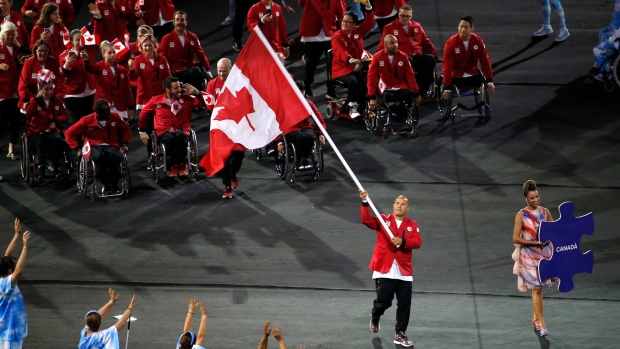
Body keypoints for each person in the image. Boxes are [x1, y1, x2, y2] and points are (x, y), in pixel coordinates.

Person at [359, 189, 422, 348]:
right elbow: (366, 220)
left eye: (403, 204)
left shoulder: (412, 225)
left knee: (404, 304)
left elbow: (417, 242)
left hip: (404, 272)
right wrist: (365, 202)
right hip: (384, 269)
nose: (400, 206)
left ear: (407, 208)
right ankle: (375, 315)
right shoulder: (382, 219)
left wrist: (403, 241)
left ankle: (400, 333)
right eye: (398, 203)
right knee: (383, 302)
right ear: (393, 206)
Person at [512, 180, 554, 337]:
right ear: (526, 199)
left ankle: (536, 318)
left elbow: (553, 231)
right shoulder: (520, 215)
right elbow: (516, 238)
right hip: (529, 256)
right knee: (537, 289)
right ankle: (542, 324)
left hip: (543, 256)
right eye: (532, 198)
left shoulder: (545, 212)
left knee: (539, 290)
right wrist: (534, 243)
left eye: (537, 197)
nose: (535, 200)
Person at [139, 77, 203, 177]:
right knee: (168, 138)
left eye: (179, 87)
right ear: (168, 90)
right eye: (176, 88)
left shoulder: (186, 98)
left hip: (182, 130)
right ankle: (173, 165)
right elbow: (143, 114)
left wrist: (197, 93)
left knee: (180, 136)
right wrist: (142, 131)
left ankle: (183, 164)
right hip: (163, 131)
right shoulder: (156, 101)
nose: (180, 90)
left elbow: (204, 104)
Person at [65, 99, 131, 194]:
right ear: (98, 113)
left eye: (109, 110)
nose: (109, 113)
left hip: (111, 145)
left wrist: (125, 143)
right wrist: (76, 147)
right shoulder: (87, 120)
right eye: (106, 112)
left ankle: (113, 184)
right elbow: (69, 132)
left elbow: (126, 129)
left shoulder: (115, 117)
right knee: (99, 158)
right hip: (94, 146)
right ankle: (105, 184)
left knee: (115, 158)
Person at [377, 4, 438, 96]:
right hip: (401, 58)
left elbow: (426, 42)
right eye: (402, 15)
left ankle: (422, 90)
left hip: (417, 55)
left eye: (407, 16)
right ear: (398, 15)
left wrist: (434, 54)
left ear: (411, 16)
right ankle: (411, 90)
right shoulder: (389, 28)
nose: (404, 18)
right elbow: (382, 46)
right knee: (409, 61)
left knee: (430, 59)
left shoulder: (417, 26)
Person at [367, 34, 421, 131]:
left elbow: (410, 76)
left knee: (407, 96)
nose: (395, 45)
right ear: (385, 45)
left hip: (401, 85)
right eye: (392, 43)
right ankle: (395, 119)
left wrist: (416, 93)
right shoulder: (377, 58)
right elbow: (372, 78)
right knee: (389, 98)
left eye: (396, 43)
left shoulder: (403, 57)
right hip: (386, 87)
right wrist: (372, 97)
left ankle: (401, 118)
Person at [330, 2, 374, 118]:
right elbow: (340, 51)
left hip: (357, 66)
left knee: (367, 80)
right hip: (341, 68)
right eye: (343, 21)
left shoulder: (358, 32)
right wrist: (349, 59)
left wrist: (368, 8)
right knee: (353, 82)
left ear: (354, 24)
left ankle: (363, 105)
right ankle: (352, 108)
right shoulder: (337, 36)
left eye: (348, 22)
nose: (344, 24)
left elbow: (369, 23)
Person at [297, 0, 345, 98]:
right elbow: (300, 3)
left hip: (330, 32)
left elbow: (341, 12)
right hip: (312, 32)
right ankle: (307, 85)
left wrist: (343, 33)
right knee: (311, 63)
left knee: (332, 64)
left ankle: (331, 89)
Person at [441, 15, 495, 102]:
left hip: (473, 74)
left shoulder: (478, 40)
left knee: (482, 82)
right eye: (461, 26)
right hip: (456, 76)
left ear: (472, 28)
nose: (462, 29)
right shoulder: (451, 43)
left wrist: (489, 80)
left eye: (466, 27)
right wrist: (447, 87)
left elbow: (485, 60)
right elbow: (447, 66)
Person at [25, 79, 69, 179]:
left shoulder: (56, 100)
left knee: (56, 140)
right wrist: (36, 100)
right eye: (46, 89)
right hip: (36, 131)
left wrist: (56, 121)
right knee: (40, 141)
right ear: (40, 90)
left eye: (51, 89)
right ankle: (41, 169)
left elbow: (66, 115)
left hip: (51, 131)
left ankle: (56, 168)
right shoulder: (34, 101)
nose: (49, 92)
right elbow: (29, 114)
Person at [276, 80, 326, 169]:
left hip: (305, 127)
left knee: (310, 136)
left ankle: (304, 158)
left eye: (302, 91)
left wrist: (321, 134)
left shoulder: (309, 104)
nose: (300, 94)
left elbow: (320, 121)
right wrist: (279, 141)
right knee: (301, 137)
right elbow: (276, 123)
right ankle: (297, 161)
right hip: (290, 129)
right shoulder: (284, 104)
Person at [157, 11, 211, 91]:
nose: (179, 22)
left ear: (186, 22)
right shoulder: (166, 39)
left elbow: (200, 54)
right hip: (176, 73)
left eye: (182, 20)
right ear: (174, 22)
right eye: (177, 20)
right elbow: (163, 58)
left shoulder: (193, 37)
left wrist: (207, 69)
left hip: (191, 71)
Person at [83, 41, 135, 122]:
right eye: (109, 53)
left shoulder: (122, 70)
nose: (112, 55)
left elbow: (126, 89)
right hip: (104, 105)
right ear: (103, 54)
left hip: (120, 106)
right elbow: (89, 68)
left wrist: (131, 106)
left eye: (114, 52)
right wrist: (86, 60)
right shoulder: (99, 66)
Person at [0, 218, 30, 349]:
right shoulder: (5, 285)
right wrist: (25, 246)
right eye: (15, 263)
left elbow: (7, 255)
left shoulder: (3, 279)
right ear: (9, 271)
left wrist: (17, 235)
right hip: (10, 333)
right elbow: (18, 272)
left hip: (7, 330)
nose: (18, 263)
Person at [0, 21, 26, 161]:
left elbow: (28, 57)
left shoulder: (17, 49)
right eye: (7, 34)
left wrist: (19, 45)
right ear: (3, 35)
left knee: (15, 122)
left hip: (16, 90)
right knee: (1, 121)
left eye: (12, 34)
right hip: (3, 91)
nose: (9, 37)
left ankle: (11, 149)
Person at [59, 29, 97, 125]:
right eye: (77, 39)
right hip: (73, 95)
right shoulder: (64, 56)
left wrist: (87, 59)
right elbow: (61, 76)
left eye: (82, 38)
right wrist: (66, 66)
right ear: (71, 42)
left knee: (91, 123)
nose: (80, 41)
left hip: (90, 93)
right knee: (77, 124)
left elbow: (96, 34)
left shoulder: (89, 50)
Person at [19, 39, 65, 112]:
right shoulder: (28, 63)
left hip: (52, 100)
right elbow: (23, 83)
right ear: (35, 51)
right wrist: (26, 99)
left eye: (45, 51)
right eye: (40, 51)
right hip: (32, 99)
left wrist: (58, 98)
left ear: (48, 51)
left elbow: (60, 82)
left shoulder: (55, 62)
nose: (43, 53)